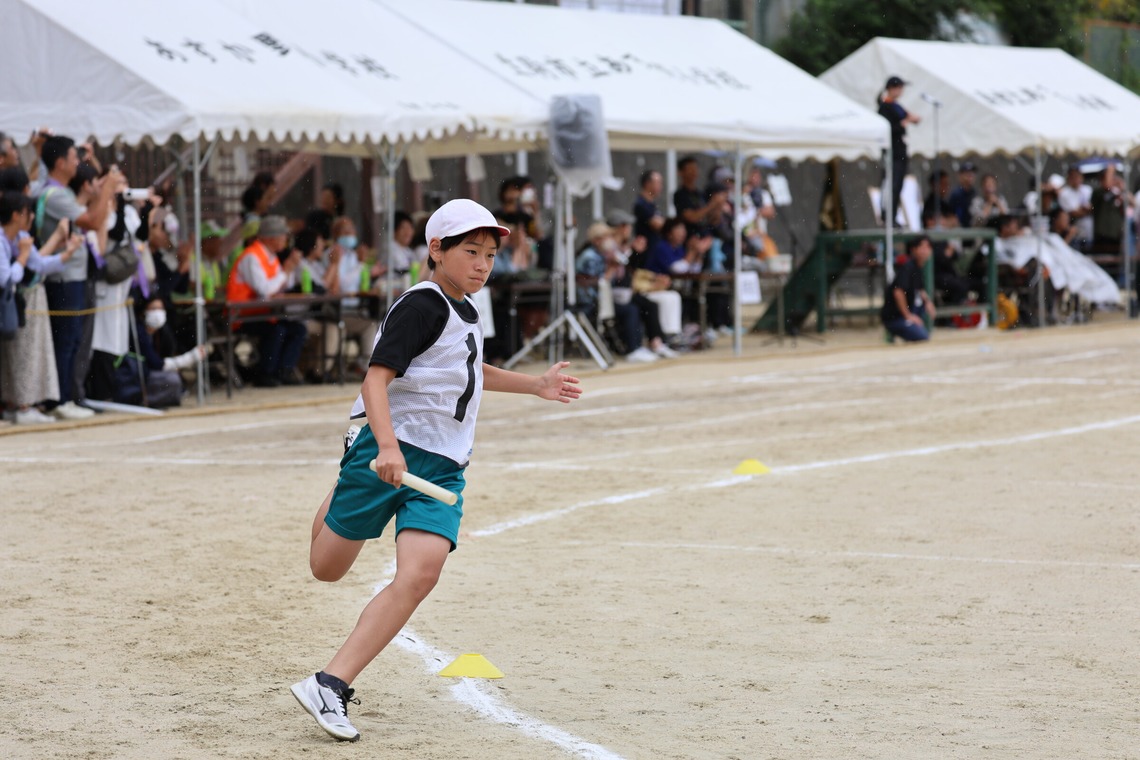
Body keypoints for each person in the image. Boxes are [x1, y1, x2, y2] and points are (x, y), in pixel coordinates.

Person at [290, 198, 582, 743]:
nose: (482, 264)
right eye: (470, 251)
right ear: (436, 250)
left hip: (443, 467)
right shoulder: (420, 305)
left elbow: (467, 369)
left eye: (490, 254)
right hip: (388, 455)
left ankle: (330, 683)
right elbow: (375, 381)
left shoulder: (466, 308)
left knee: (421, 573)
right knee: (326, 568)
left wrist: (535, 386)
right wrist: (383, 446)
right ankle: (341, 486)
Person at [40, 138, 121, 420]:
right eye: (74, 157)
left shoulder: (52, 191)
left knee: (71, 339)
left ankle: (66, 397)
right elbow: (93, 221)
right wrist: (108, 188)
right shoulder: (57, 195)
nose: (78, 163)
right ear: (60, 162)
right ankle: (61, 399)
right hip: (64, 277)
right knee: (66, 340)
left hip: (67, 276)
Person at [0, 191, 83, 424]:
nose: (30, 219)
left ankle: (13, 406)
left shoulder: (18, 238)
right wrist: (23, 257)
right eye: (27, 213)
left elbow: (41, 265)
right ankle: (18, 407)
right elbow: (6, 278)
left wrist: (67, 253)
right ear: (16, 215)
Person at [225, 214, 307, 387]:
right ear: (271, 238)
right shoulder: (252, 257)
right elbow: (266, 290)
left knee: (297, 329)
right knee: (276, 330)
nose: (286, 239)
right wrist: (286, 269)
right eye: (283, 235)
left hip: (261, 313)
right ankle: (265, 374)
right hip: (241, 316)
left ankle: (284, 370)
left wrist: (292, 268)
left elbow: (283, 285)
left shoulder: (270, 257)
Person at [877, 76, 920, 223]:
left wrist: (911, 119)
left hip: (900, 151)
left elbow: (910, 117)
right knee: (891, 184)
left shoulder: (896, 105)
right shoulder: (885, 107)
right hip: (892, 152)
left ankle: (893, 215)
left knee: (898, 184)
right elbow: (887, 129)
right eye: (899, 88)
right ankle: (887, 215)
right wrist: (904, 123)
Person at [882, 236, 935, 342]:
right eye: (922, 247)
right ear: (914, 250)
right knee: (922, 336)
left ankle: (911, 326)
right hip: (895, 317)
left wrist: (928, 303)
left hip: (908, 312)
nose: (925, 251)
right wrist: (908, 316)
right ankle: (901, 328)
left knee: (922, 306)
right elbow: (898, 292)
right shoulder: (908, 267)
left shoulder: (918, 268)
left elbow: (920, 289)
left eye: (928, 247)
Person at [673, 156, 726, 236]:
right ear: (681, 172)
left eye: (695, 168)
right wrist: (712, 204)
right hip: (691, 239)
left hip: (706, 238)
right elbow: (692, 217)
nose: (694, 172)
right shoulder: (680, 195)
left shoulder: (700, 193)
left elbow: (712, 220)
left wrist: (718, 207)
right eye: (690, 169)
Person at [1057, 167, 1093, 251]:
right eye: (1073, 177)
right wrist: (1087, 210)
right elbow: (1074, 213)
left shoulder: (1088, 190)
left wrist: (1086, 210)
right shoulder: (1064, 193)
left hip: (1088, 232)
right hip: (1073, 234)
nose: (1076, 179)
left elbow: (1092, 208)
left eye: (1078, 176)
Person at [632, 169, 665, 246]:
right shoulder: (641, 204)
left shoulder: (652, 205)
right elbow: (657, 224)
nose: (661, 187)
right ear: (648, 184)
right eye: (658, 183)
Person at [948, 161, 977, 228]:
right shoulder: (956, 194)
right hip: (959, 230)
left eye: (972, 174)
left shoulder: (975, 193)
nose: (970, 177)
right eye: (967, 174)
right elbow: (952, 215)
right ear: (960, 176)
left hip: (973, 229)